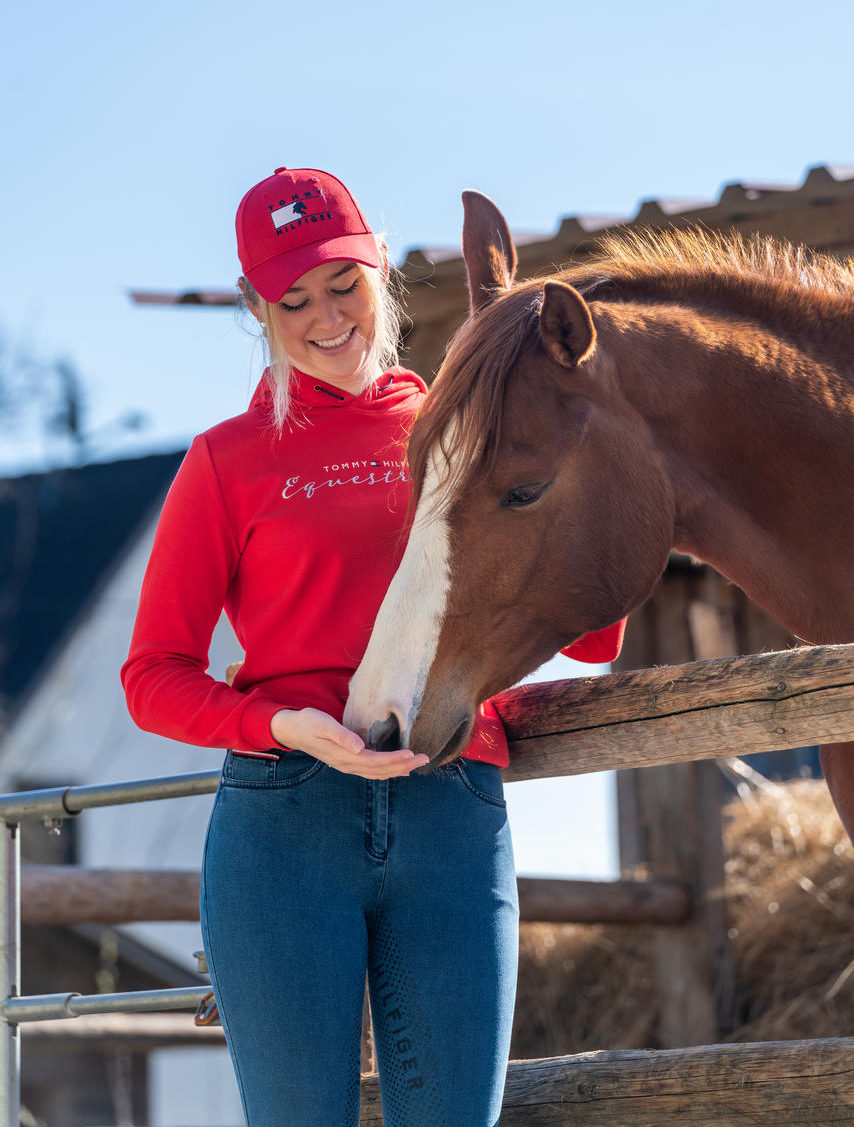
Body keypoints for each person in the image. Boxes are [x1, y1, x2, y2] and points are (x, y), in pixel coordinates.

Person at [121, 165, 625, 1127]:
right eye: (292, 298)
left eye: (342, 283)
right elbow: (153, 678)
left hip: (453, 810)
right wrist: (280, 725)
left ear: (380, 268)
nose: (324, 318)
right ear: (256, 307)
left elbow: (592, 634)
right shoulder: (225, 461)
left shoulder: (468, 430)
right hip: (285, 828)